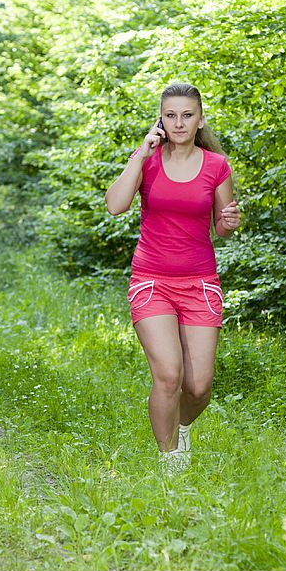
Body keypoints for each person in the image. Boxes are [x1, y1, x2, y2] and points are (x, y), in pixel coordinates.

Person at [104, 83, 241, 474]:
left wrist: (229, 222)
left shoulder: (217, 166)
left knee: (198, 388)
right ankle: (170, 461)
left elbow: (222, 226)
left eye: (186, 115)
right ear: (160, 119)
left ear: (200, 119)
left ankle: (178, 428)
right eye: (170, 115)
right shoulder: (146, 160)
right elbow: (116, 206)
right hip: (151, 282)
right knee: (168, 374)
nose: (178, 122)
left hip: (200, 284)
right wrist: (140, 153)